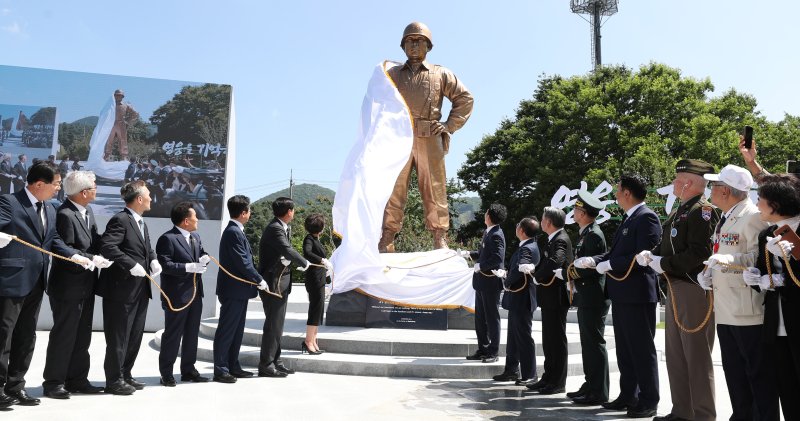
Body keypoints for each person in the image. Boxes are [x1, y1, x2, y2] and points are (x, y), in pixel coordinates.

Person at [0, 162, 92, 407]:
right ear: (39, 184)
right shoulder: (9, 202)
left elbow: (53, 241)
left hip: (37, 281)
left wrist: (75, 256)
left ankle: (16, 386)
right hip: (11, 281)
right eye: (56, 184)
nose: (58, 189)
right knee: (3, 336)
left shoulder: (50, 209)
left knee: (26, 336)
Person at [378, 22, 474, 252]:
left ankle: (439, 235)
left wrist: (448, 125)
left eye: (419, 40)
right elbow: (378, 104)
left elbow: (465, 98)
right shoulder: (390, 75)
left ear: (428, 46)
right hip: (398, 138)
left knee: (435, 188)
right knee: (394, 188)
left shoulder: (441, 73)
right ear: (402, 46)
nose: (413, 44)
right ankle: (388, 235)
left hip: (429, 136)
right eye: (409, 40)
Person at [574, 174, 662, 418]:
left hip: (638, 293)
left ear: (627, 193)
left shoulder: (647, 218)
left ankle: (647, 400)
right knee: (625, 350)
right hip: (623, 293)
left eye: (618, 190)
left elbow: (644, 256)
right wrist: (595, 260)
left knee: (642, 350)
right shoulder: (629, 219)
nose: (615, 195)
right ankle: (628, 395)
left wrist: (609, 265)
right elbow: (615, 253)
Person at [638, 159, 720, 421]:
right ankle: (682, 411)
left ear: (690, 182)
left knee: (696, 356)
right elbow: (669, 247)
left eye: (677, 179)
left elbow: (699, 252)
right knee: (676, 354)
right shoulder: (681, 210)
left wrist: (664, 263)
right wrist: (651, 256)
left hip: (693, 289)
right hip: (674, 286)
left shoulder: (703, 210)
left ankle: (703, 415)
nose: (673, 183)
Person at [699, 164, 778, 420]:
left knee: (756, 374)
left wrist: (727, 261)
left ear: (725, 191)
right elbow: (724, 252)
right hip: (726, 307)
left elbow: (758, 257)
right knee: (734, 373)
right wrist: (711, 274)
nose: (710, 190)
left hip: (747, 308)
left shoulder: (752, 215)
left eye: (714, 185)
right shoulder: (727, 216)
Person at [42, 171, 111, 399]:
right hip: (68, 287)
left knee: (83, 335)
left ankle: (78, 379)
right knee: (65, 335)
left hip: (86, 285)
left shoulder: (86, 211)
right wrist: (87, 258)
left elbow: (94, 240)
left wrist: (111, 249)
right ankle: (54, 382)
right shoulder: (65, 214)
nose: (96, 190)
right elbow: (63, 248)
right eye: (94, 187)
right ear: (83, 192)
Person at [742, 173, 800, 420]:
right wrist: (756, 279)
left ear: (775, 204)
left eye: (761, 198)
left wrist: (794, 253)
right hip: (777, 324)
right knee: (786, 389)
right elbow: (764, 270)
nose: (757, 203)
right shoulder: (766, 233)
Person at [96, 180, 162, 395]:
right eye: (149, 195)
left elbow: (146, 249)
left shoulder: (141, 222)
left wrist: (153, 259)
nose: (151, 198)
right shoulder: (121, 219)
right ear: (139, 199)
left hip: (140, 289)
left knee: (134, 335)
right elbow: (108, 246)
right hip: (121, 289)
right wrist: (130, 264)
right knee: (119, 336)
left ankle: (125, 374)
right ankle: (113, 380)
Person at [560, 189, 610, 405]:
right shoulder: (586, 233)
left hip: (594, 297)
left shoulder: (594, 235)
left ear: (583, 213)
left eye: (576, 209)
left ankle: (599, 391)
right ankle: (591, 384)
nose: (573, 212)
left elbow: (590, 268)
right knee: (587, 344)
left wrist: (566, 273)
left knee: (594, 343)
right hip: (587, 296)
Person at [155, 202, 212, 387]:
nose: (198, 220)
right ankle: (166, 373)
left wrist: (205, 258)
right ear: (186, 220)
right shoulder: (167, 239)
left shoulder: (195, 236)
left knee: (192, 333)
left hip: (195, 294)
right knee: (173, 334)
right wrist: (188, 267)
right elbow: (166, 265)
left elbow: (200, 255)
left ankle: (188, 370)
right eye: (195, 216)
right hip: (177, 296)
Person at [213, 195, 268, 383]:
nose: (250, 213)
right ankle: (221, 369)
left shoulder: (236, 231)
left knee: (236, 331)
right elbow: (243, 262)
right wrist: (259, 279)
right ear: (244, 213)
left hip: (239, 290)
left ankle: (232, 365)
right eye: (249, 210)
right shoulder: (233, 232)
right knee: (227, 330)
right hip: (233, 290)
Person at [257, 197, 309, 377]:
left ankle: (276, 361)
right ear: (289, 212)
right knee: (273, 324)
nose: (293, 213)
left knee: (277, 324)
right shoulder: (275, 229)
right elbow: (287, 250)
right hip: (274, 283)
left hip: (280, 282)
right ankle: (266, 364)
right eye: (293, 210)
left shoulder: (280, 227)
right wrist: (304, 262)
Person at [526, 207, 572, 395]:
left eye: (543, 219)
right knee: (549, 340)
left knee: (556, 340)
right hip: (549, 296)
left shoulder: (560, 239)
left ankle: (558, 381)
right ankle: (548, 377)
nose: (541, 221)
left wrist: (537, 276)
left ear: (549, 222)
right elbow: (547, 261)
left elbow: (556, 261)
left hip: (557, 297)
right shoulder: (553, 238)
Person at [493, 217, 540, 386]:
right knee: (513, 337)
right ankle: (511, 370)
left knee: (523, 337)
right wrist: (506, 274)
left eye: (518, 225)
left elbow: (521, 269)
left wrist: (506, 280)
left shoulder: (527, 248)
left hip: (522, 298)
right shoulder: (527, 246)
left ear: (522, 231)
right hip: (517, 298)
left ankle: (530, 374)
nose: (516, 227)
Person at [462, 204, 506, 363]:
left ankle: (493, 352)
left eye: (486, 212)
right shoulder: (489, 232)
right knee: (480, 318)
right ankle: (483, 349)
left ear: (489, 216)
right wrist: (470, 254)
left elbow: (497, 258)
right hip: (481, 281)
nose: (484, 214)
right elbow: (483, 254)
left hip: (490, 282)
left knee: (491, 318)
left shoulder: (496, 234)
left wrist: (481, 265)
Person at [301, 213, 333, 355]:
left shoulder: (316, 239)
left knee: (319, 309)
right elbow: (307, 253)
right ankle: (308, 341)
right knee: (315, 308)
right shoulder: (309, 239)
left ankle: (313, 340)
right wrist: (322, 260)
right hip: (314, 278)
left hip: (319, 277)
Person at [103, 89, 139, 161]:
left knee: (123, 140)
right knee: (109, 140)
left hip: (121, 124)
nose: (118, 97)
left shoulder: (126, 105)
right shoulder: (110, 105)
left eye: (120, 95)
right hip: (111, 124)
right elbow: (103, 114)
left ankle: (124, 156)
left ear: (122, 96)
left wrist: (127, 121)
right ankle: (106, 155)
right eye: (116, 95)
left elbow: (135, 113)